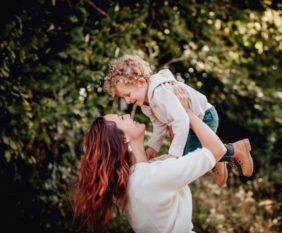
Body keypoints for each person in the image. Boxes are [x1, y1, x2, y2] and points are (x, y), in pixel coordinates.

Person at [72, 86, 253, 233]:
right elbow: (216, 149)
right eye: (121, 118)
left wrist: (175, 112)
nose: (127, 115)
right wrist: (188, 112)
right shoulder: (150, 178)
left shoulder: (144, 173)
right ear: (123, 140)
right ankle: (237, 149)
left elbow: (179, 155)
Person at [103, 55, 253, 187]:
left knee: (187, 156)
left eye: (128, 94)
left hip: (204, 116)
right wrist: (153, 148)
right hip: (190, 122)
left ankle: (235, 149)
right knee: (190, 156)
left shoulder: (160, 93)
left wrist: (173, 154)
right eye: (123, 97)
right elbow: (159, 125)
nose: (128, 100)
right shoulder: (146, 105)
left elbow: (181, 121)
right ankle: (217, 161)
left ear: (142, 82)